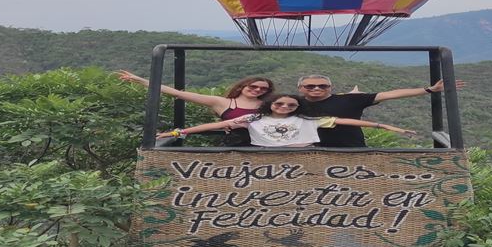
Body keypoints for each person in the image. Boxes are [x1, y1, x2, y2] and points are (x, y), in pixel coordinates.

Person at [157, 93, 415, 148]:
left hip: (302, 160)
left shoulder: (307, 118)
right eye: (280, 103)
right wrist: (177, 133)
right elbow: (216, 126)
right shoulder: (253, 118)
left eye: (290, 104)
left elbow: (344, 121)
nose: (284, 107)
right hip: (266, 160)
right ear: (271, 104)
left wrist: (385, 126)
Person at [295, 74, 464, 147]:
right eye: (310, 86)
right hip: (309, 151)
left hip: (352, 149)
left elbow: (391, 94)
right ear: (300, 88)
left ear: (330, 87)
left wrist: (429, 89)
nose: (316, 88)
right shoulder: (291, 104)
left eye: (322, 85)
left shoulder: (349, 100)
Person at [116, 70, 272, 146]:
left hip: (265, 145)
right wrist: (140, 80)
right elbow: (178, 94)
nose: (257, 90)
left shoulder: (270, 105)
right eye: (253, 86)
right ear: (243, 86)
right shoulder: (223, 103)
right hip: (235, 144)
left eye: (263, 89)